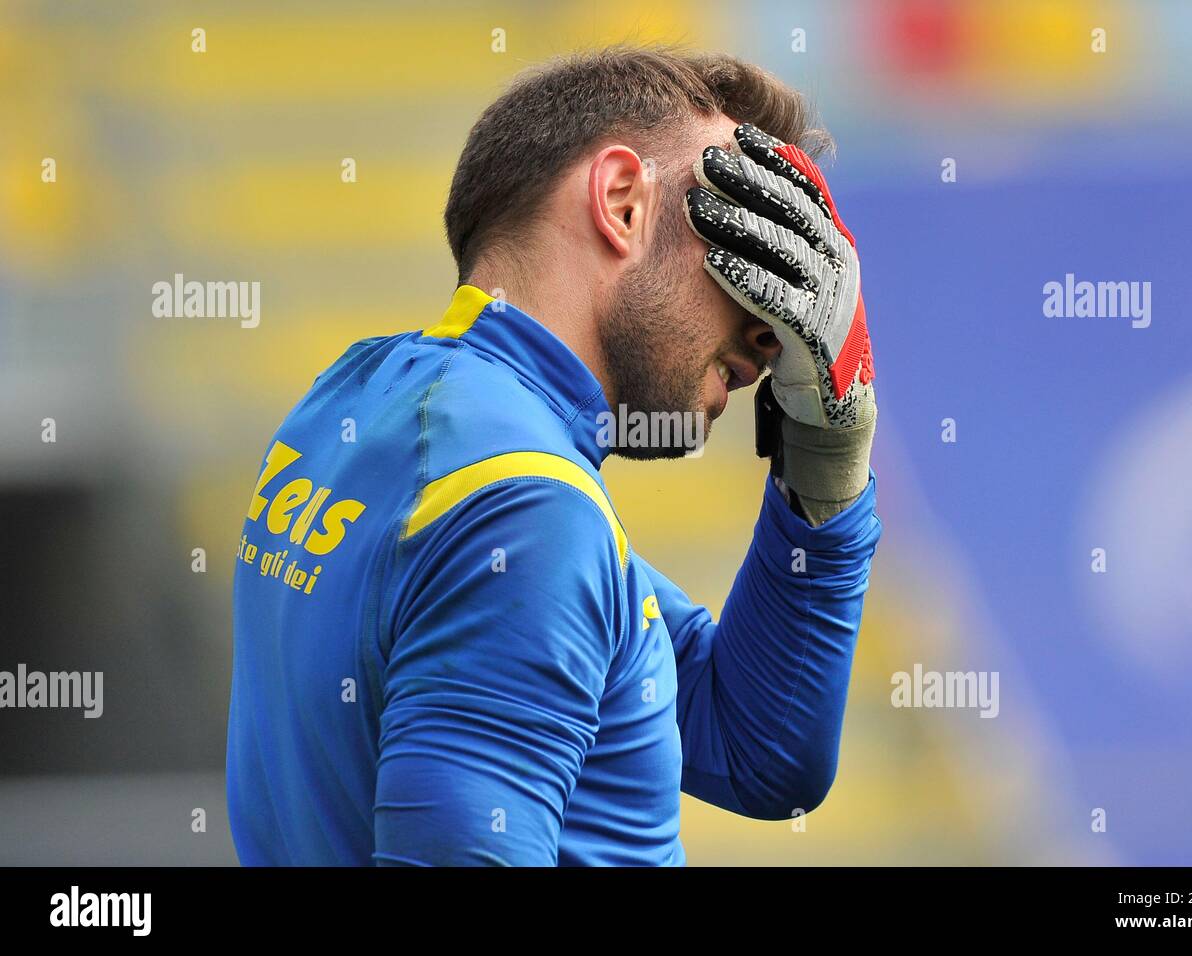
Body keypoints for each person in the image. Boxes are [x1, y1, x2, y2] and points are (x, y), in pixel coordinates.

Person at [226, 44, 882, 866]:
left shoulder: (352, 403)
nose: (773, 329)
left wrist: (826, 454)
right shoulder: (526, 509)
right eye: (744, 246)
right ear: (621, 203)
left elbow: (758, 751)